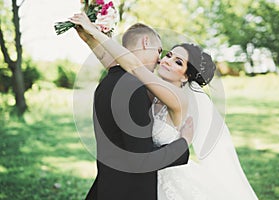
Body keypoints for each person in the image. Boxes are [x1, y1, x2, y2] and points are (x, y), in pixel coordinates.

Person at [70, 13, 258, 199]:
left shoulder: (177, 97)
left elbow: (134, 66)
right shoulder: (153, 90)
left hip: (166, 175)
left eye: (178, 62)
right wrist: (89, 39)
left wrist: (95, 31)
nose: (165, 60)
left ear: (185, 76)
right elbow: (117, 65)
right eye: (168, 54)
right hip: (150, 175)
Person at [72, 16, 193, 200]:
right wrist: (183, 144)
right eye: (162, 52)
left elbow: (124, 65)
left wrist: (92, 37)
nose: (161, 60)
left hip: (113, 186)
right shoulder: (134, 87)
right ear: (146, 42)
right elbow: (142, 159)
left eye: (178, 61)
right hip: (133, 190)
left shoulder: (108, 83)